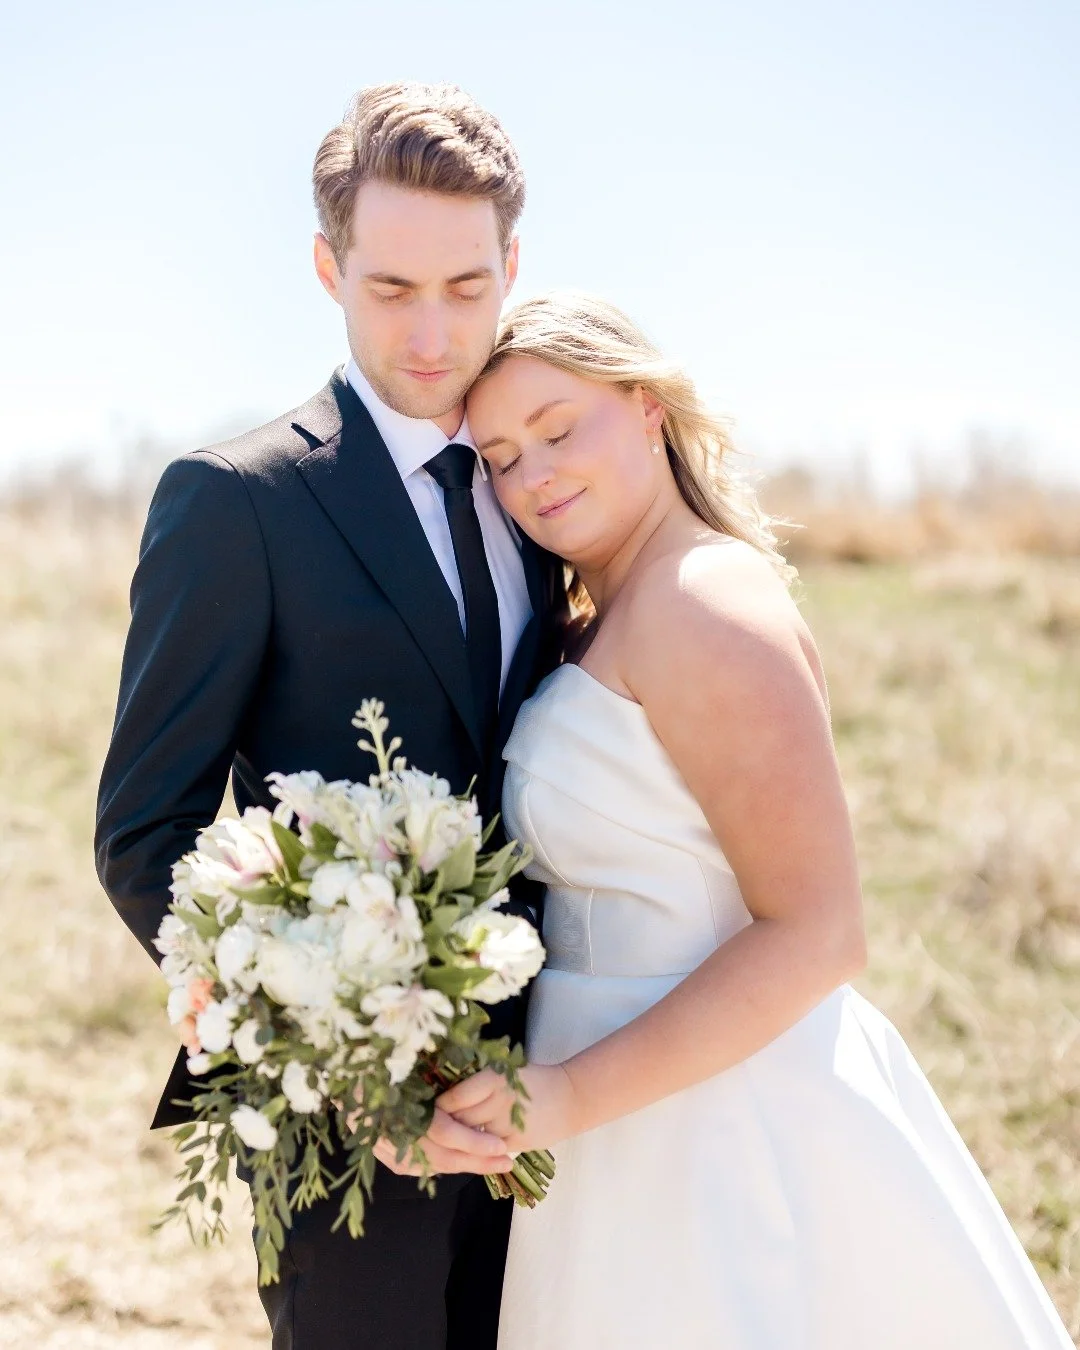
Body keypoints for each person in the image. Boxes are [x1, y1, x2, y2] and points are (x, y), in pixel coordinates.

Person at [432, 291, 1074, 1348]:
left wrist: (570, 1099)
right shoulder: (595, 615)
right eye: (499, 456)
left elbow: (822, 933)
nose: (532, 473)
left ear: (645, 409)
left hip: (728, 1116)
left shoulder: (705, 604)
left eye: (559, 428)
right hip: (610, 1109)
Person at [95, 83, 566, 1350]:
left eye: (469, 289)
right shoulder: (235, 501)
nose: (433, 332)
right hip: (347, 1121)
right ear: (328, 265)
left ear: (513, 264)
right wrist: (323, 1042)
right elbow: (147, 828)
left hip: (568, 1089)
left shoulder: (547, 491)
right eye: (391, 288)